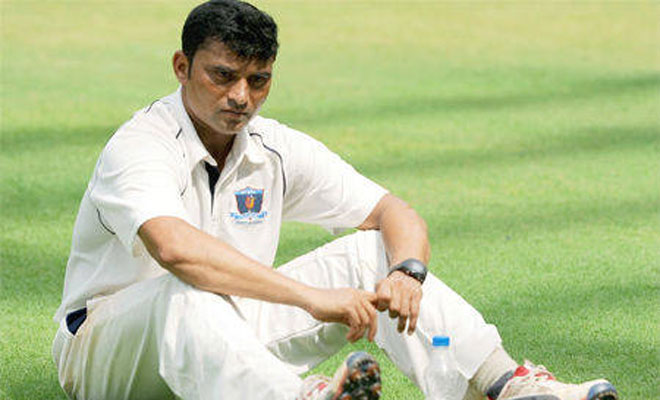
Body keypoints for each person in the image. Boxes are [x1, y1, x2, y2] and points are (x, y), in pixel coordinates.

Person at [52, 1, 619, 399]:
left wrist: (407, 274)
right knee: (186, 287)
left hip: (224, 343)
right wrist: (311, 298)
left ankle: (506, 385)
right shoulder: (142, 145)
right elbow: (177, 250)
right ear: (182, 67)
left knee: (372, 252)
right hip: (108, 355)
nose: (240, 97)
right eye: (222, 76)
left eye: (258, 80)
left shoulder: (273, 147)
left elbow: (391, 212)